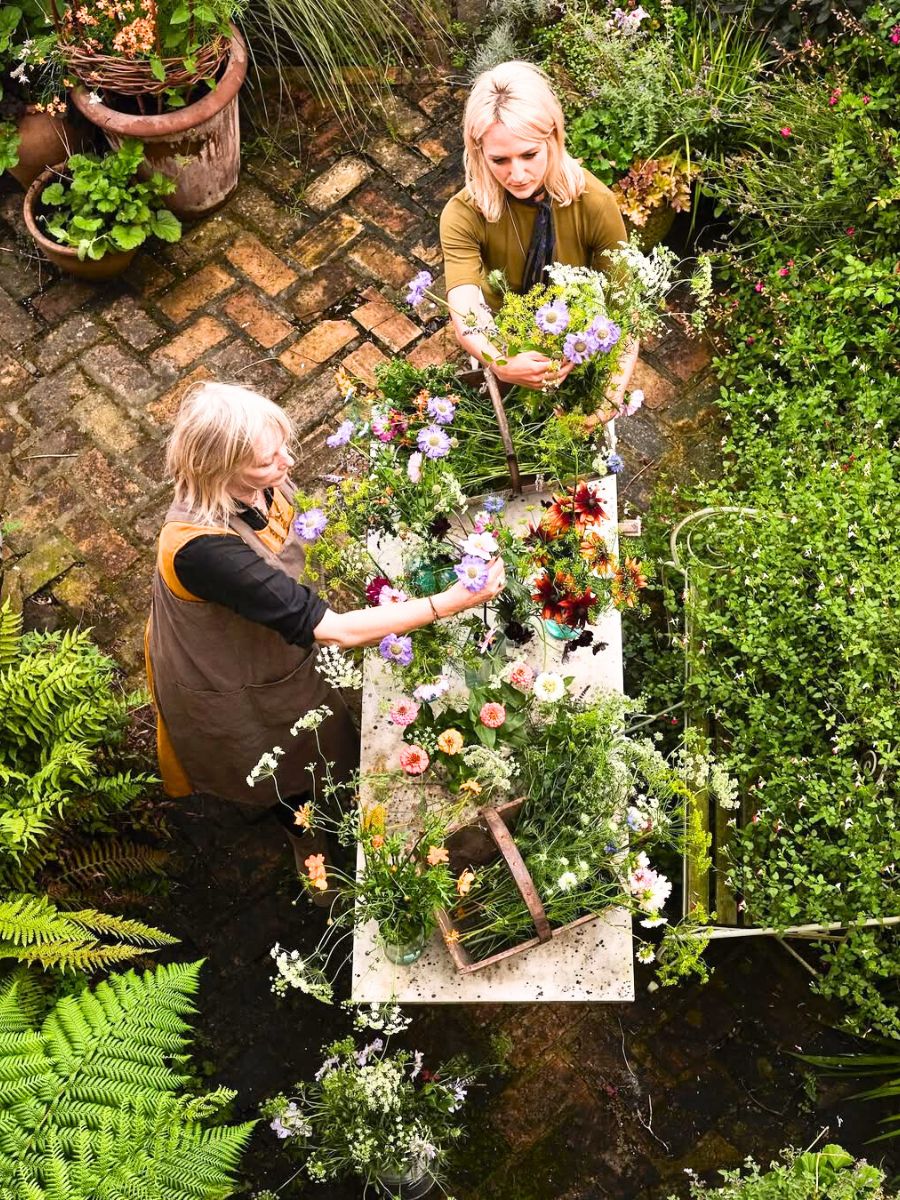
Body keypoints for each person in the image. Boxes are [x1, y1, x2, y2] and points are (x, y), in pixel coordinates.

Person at [145, 381, 505, 874]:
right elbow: (336, 631)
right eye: (269, 460)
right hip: (227, 671)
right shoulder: (204, 551)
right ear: (219, 468)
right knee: (275, 761)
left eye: (282, 448)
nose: (288, 463)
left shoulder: (252, 483)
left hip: (272, 645)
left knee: (320, 737)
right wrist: (452, 601)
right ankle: (305, 844)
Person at [439, 60, 639, 402]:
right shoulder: (463, 214)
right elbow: (464, 306)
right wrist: (499, 361)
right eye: (499, 160)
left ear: (554, 139)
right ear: (479, 152)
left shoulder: (594, 203)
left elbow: (625, 311)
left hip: (580, 349)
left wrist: (610, 397)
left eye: (529, 154)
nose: (517, 174)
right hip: (501, 340)